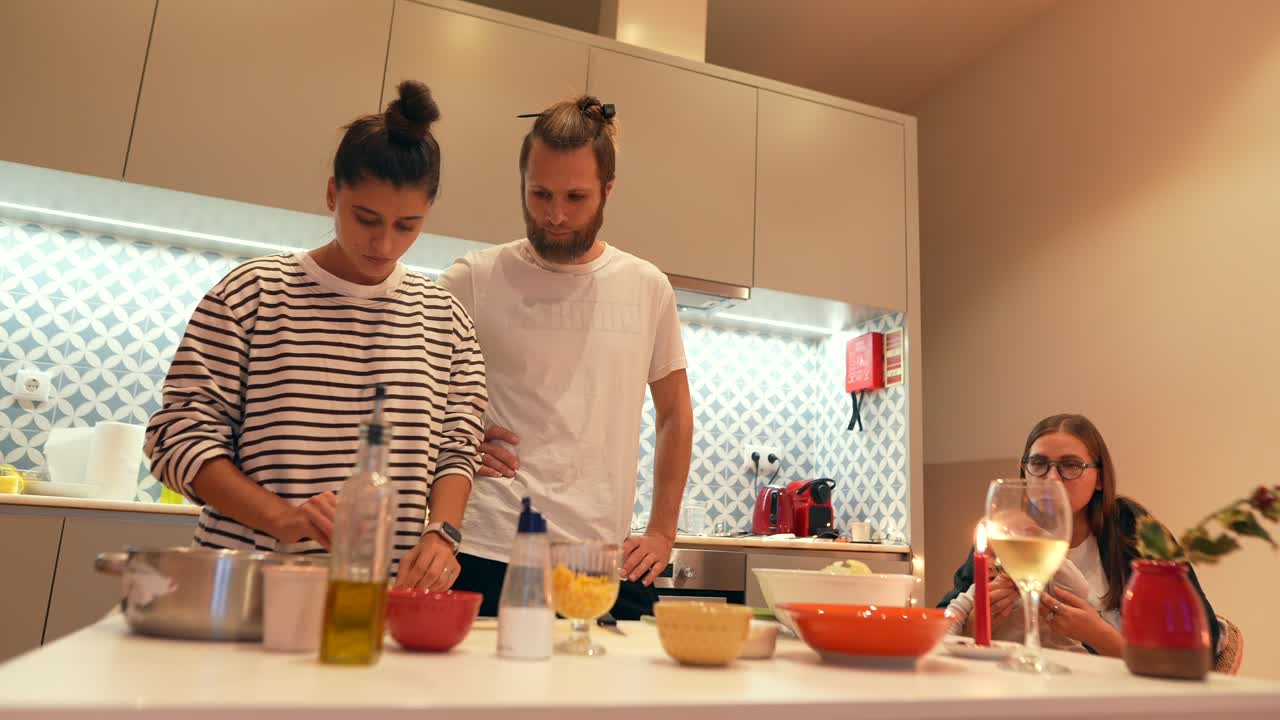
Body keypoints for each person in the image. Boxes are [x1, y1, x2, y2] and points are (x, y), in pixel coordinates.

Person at [145, 81, 486, 590]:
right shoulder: (251, 294)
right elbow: (177, 439)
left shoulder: (446, 319)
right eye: (365, 218)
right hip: (247, 590)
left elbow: (459, 448)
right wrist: (282, 517)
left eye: (407, 225)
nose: (384, 242)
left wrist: (442, 534)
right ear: (332, 193)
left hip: (376, 598)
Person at [439, 96, 694, 619]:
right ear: (522, 185)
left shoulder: (647, 287)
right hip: (486, 552)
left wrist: (663, 530)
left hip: (600, 562)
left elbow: (674, 413)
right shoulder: (474, 278)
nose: (555, 214)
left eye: (576, 197)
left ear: (608, 190)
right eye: (540, 194)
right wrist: (459, 440)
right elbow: (407, 384)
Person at [937, 413, 1221, 657]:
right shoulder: (1011, 535)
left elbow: (1202, 641)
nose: (1051, 479)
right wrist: (976, 626)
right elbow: (944, 620)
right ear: (1024, 471)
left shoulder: (1132, 527)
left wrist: (1097, 634)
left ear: (1099, 478)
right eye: (1038, 464)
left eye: (1071, 466)